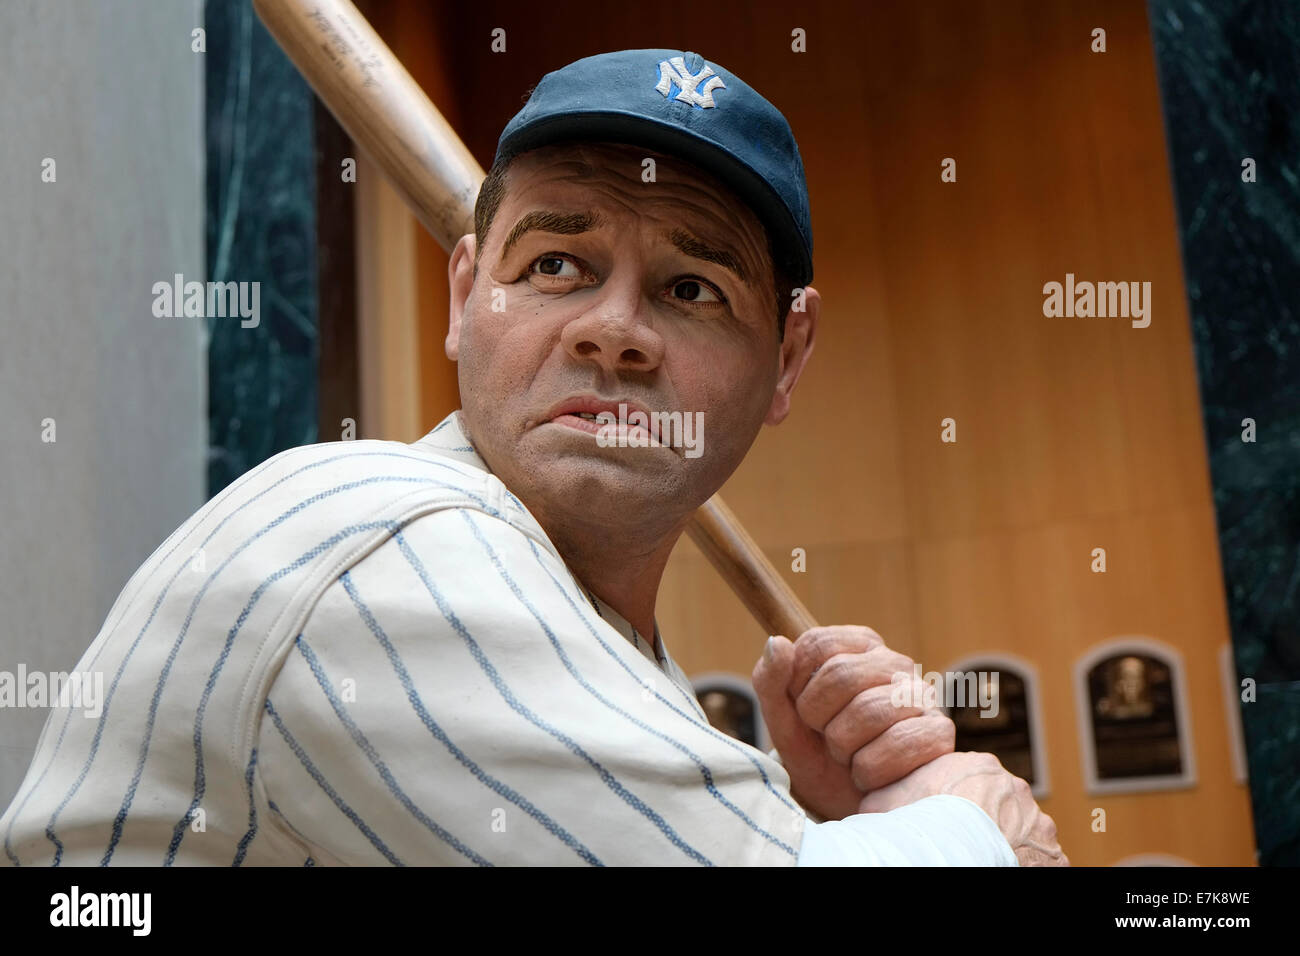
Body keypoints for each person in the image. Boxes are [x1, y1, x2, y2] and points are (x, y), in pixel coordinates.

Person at [0, 49, 1064, 866]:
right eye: (557, 262)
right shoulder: (384, 533)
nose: (615, 331)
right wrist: (974, 825)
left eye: (691, 287)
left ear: (785, 358)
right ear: (466, 296)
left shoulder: (598, 644)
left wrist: (822, 816)